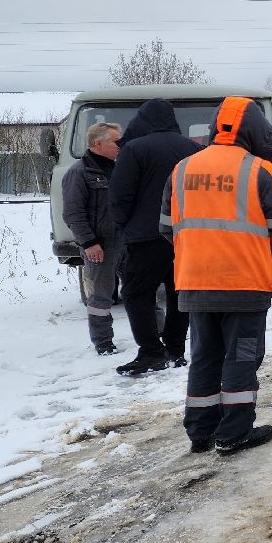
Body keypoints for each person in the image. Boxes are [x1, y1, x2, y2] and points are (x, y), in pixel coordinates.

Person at [160, 96, 272, 455]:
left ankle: (200, 431)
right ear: (253, 131)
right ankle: (234, 433)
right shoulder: (256, 170)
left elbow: (165, 226)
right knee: (241, 357)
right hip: (244, 283)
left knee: (204, 356)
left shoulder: (182, 169)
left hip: (195, 282)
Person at [109, 98, 203, 376]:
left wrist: (124, 225)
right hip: (185, 235)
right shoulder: (194, 149)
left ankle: (151, 352)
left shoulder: (134, 149)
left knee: (136, 294)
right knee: (178, 293)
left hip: (145, 236)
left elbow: (120, 196)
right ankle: (174, 349)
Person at [62, 121, 123, 355]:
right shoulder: (79, 173)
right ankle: (103, 342)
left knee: (142, 290)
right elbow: (73, 213)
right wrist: (89, 242)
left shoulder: (119, 169)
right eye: (115, 141)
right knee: (100, 295)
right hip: (100, 244)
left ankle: (155, 336)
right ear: (98, 144)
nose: (120, 145)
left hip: (125, 241)